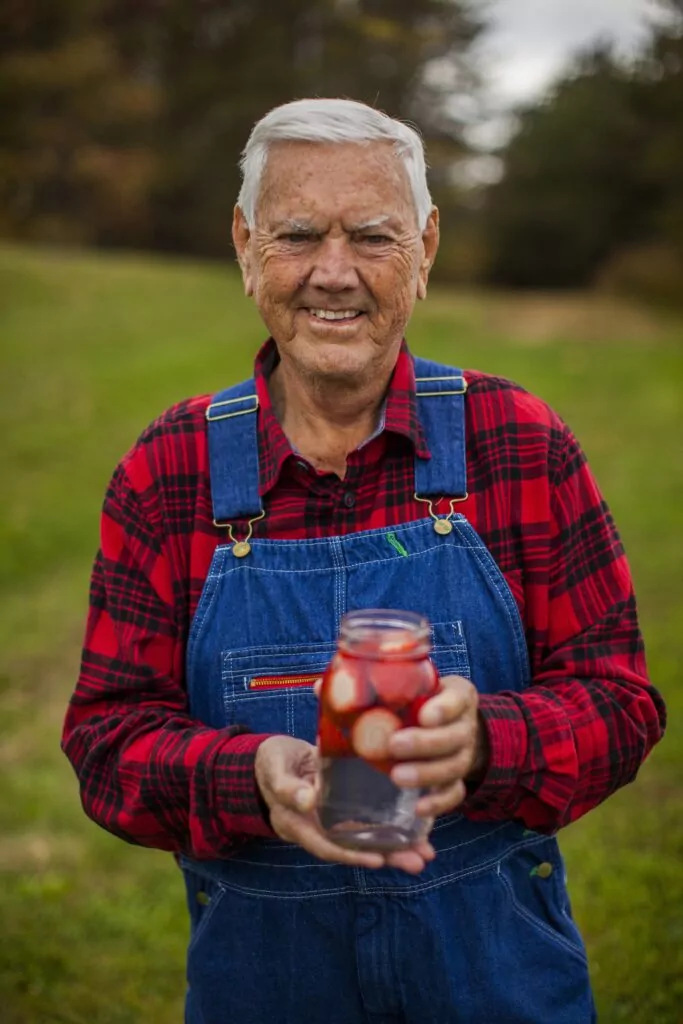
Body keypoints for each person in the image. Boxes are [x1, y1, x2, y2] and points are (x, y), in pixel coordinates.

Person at [62, 98, 666, 1024]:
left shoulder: (520, 444)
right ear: (244, 244)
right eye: (297, 234)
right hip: (266, 993)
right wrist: (248, 776)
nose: (331, 274)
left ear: (424, 249)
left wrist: (487, 745)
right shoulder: (168, 469)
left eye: (372, 237)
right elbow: (106, 742)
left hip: (497, 986)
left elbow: (621, 703)